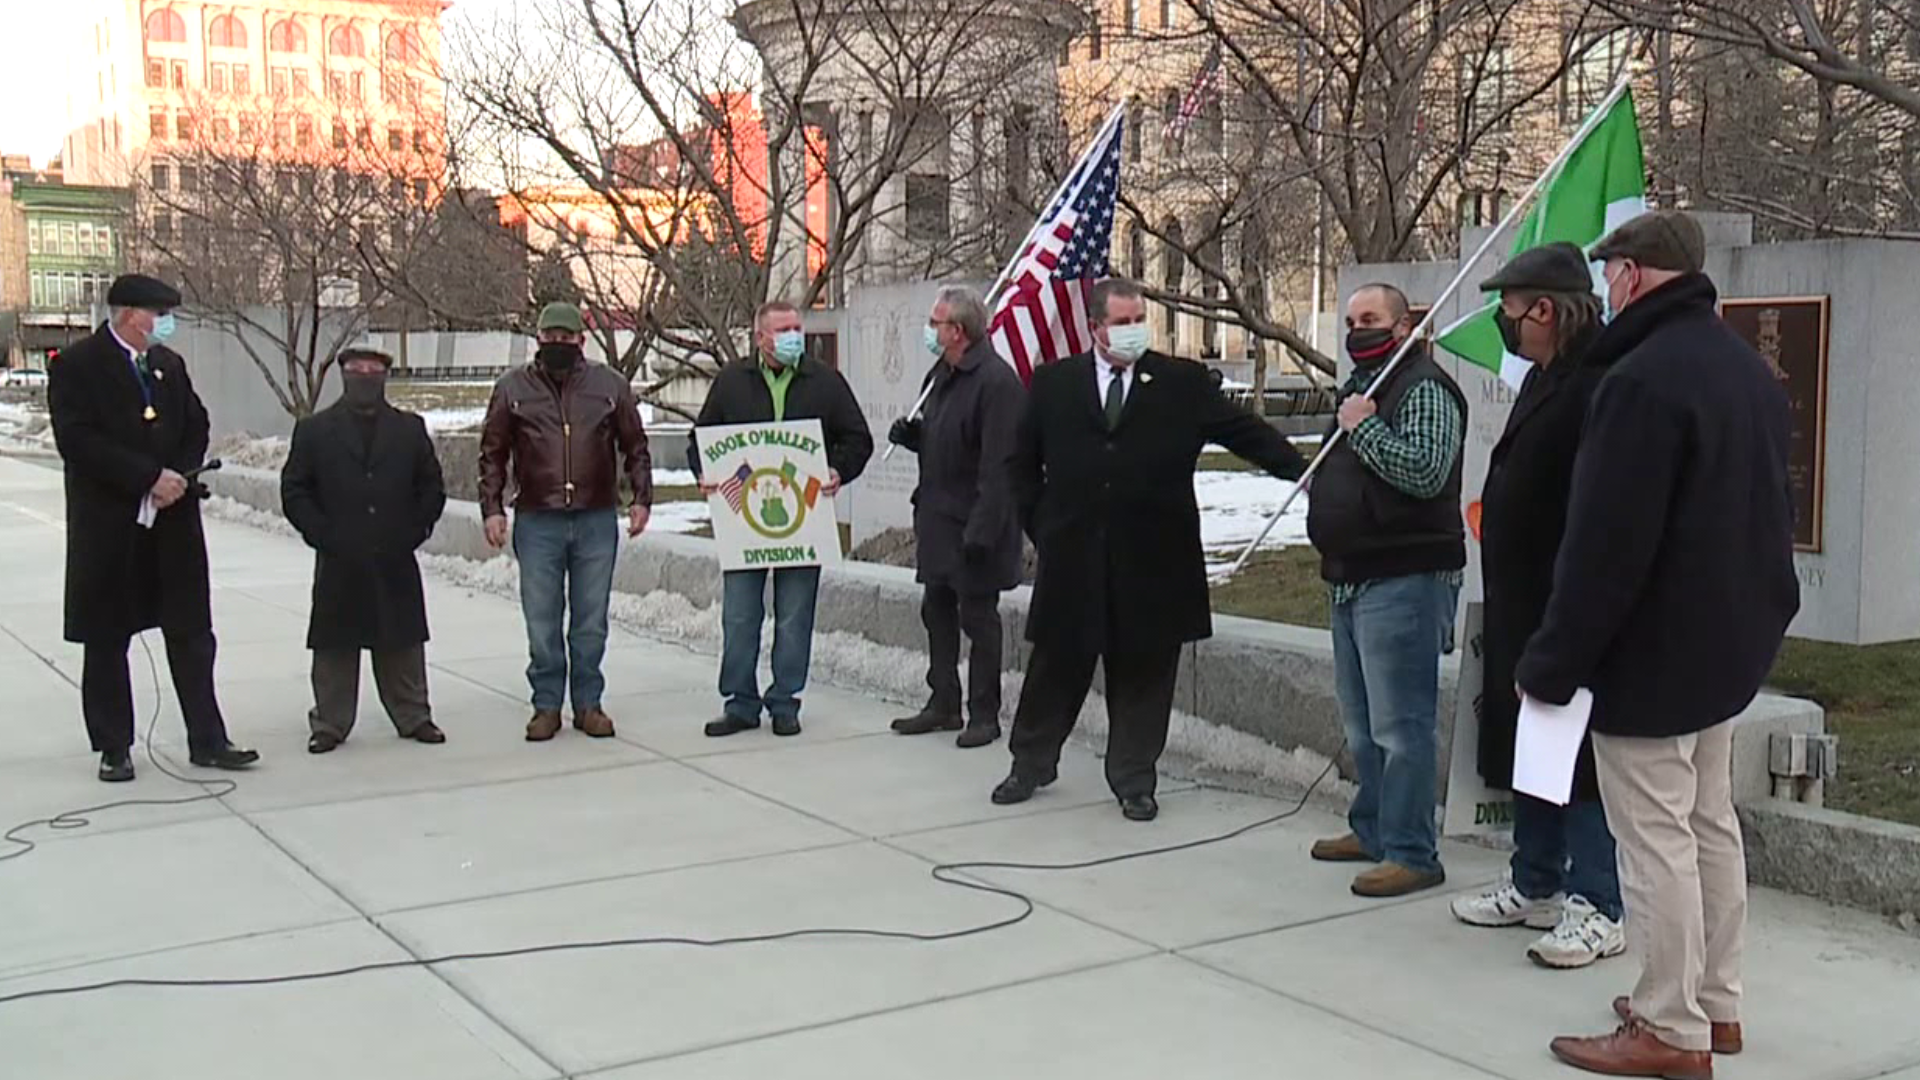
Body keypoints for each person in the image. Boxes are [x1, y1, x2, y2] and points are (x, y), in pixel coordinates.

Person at [1530, 212, 1797, 1077]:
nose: (1603, 286)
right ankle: (1716, 1004)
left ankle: (1669, 1025)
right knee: (1708, 824)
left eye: (1610, 272)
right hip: (1724, 645)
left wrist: (1554, 661)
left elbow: (1605, 545)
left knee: (1655, 843)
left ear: (1638, 277)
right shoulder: (1744, 369)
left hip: (1653, 652)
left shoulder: (1641, 381)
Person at [990, 277, 1308, 822]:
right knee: (1056, 668)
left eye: (1140, 318)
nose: (1134, 329)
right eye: (1121, 321)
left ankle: (1134, 779)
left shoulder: (1181, 382)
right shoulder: (1054, 384)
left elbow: (1246, 433)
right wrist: (1041, 524)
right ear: (1095, 328)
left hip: (1155, 560)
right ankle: (1031, 763)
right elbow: (1021, 464)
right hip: (1073, 557)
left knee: (1143, 674)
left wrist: (1306, 471)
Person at [1445, 243, 1624, 969]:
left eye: (1510, 312)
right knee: (1535, 750)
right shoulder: (1547, 377)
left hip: (1567, 602)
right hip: (1523, 603)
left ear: (1545, 310)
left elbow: (1596, 510)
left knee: (1576, 758)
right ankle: (1536, 880)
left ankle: (1599, 901)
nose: (1507, 326)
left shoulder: (1597, 384)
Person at [46, 274, 258, 782]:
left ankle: (207, 738)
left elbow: (196, 424)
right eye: (157, 314)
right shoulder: (78, 366)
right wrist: (146, 478)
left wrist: (178, 476)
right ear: (126, 314)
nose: (165, 323)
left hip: (172, 520)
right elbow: (77, 440)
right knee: (107, 638)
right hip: (112, 524)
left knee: (191, 633)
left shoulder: (168, 365)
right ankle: (114, 746)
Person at [1306, 282, 1467, 898]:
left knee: (1402, 726)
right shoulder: (1360, 388)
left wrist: (1364, 430)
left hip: (1405, 575)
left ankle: (1412, 850)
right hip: (1351, 577)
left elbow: (1426, 472)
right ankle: (1371, 826)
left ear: (1403, 327)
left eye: (1370, 318)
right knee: (1362, 722)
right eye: (1350, 319)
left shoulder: (1423, 387)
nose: (1357, 329)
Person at [689, 300, 873, 738]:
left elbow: (857, 439)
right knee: (738, 615)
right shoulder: (732, 381)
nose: (794, 336)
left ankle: (785, 700)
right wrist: (704, 472)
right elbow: (701, 438)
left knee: (794, 614)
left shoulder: (825, 382)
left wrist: (837, 469)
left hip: (801, 520)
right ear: (760, 338)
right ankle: (740, 702)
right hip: (744, 522)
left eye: (797, 327)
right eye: (783, 329)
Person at [480, 302, 652, 742]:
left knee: (590, 619)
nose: (558, 344)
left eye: (566, 337)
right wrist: (492, 508)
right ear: (538, 340)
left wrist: (641, 499)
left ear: (582, 340)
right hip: (538, 519)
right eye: (550, 337)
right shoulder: (512, 387)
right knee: (541, 618)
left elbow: (635, 445)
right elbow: (493, 453)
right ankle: (546, 704)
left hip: (595, 517)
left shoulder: (610, 385)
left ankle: (588, 703)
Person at [281, 348, 449, 754]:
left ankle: (414, 715)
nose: (366, 376)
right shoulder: (314, 430)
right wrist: (321, 533)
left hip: (395, 550)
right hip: (340, 554)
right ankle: (330, 723)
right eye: (357, 370)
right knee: (335, 641)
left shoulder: (409, 428)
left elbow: (431, 486)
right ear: (343, 374)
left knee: (402, 639)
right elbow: (295, 490)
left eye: (374, 371)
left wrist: (415, 529)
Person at [886, 286, 1026, 749]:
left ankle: (983, 714)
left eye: (936, 323)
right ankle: (942, 701)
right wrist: (915, 437)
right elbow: (949, 439)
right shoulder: (942, 374)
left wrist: (983, 530)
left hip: (975, 525)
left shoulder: (996, 382)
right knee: (936, 611)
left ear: (958, 332)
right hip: (938, 519)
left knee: (978, 620)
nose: (931, 330)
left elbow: (999, 464)